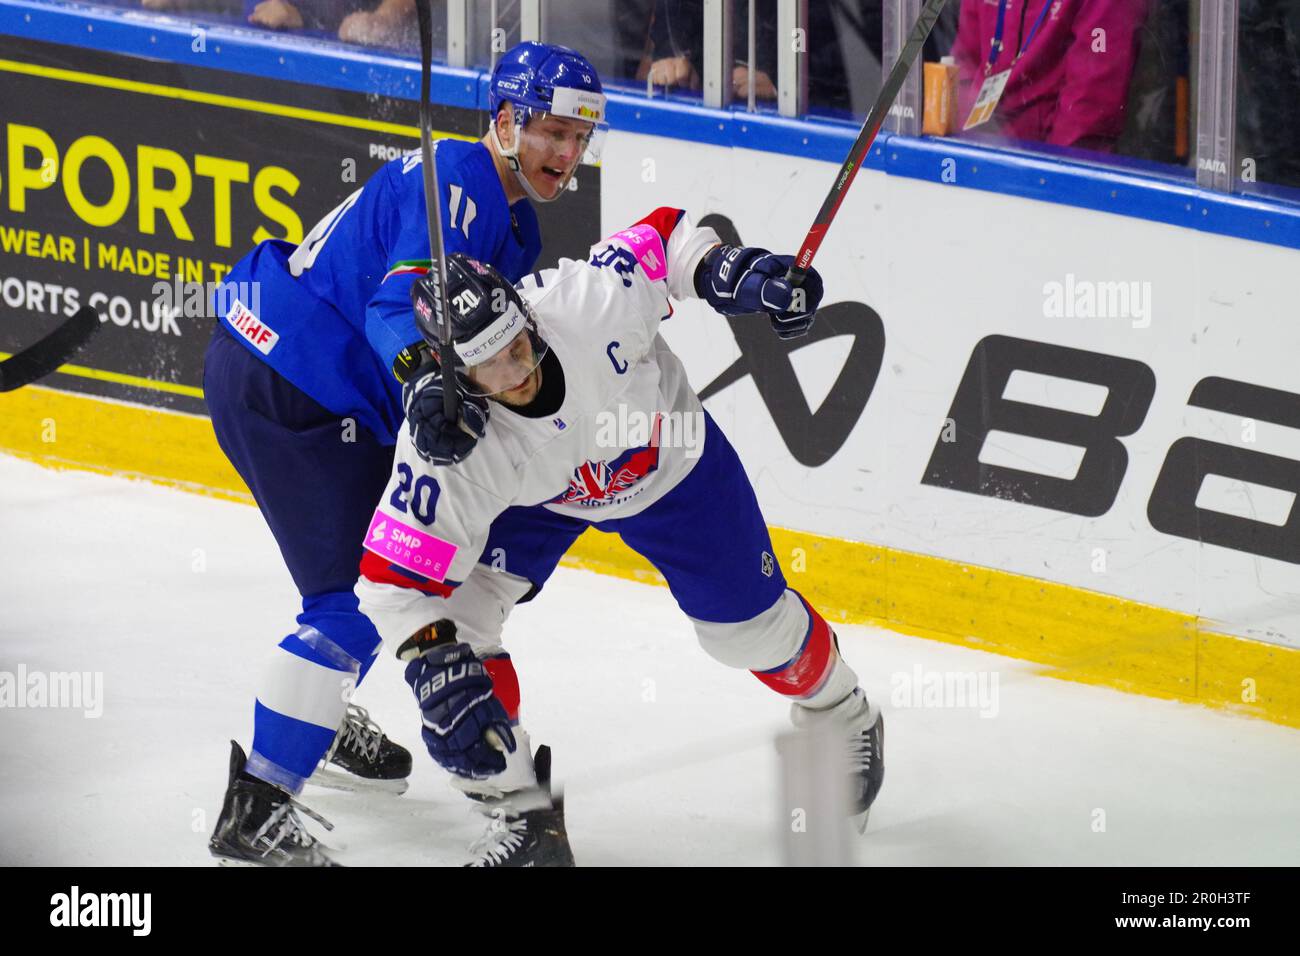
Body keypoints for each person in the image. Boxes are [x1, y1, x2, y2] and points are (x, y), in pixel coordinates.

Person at [354, 210, 884, 867]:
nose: (517, 374)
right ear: (452, 375)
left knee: (747, 635)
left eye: (517, 345)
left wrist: (731, 272)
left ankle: (840, 708)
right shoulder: (450, 441)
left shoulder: (585, 306)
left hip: (667, 467)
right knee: (457, 635)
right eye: (488, 369)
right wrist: (434, 668)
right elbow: (390, 582)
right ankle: (521, 818)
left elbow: (665, 240)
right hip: (539, 496)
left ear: (527, 314)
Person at [204, 42, 608, 866]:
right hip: (297, 378)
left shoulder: (509, 219)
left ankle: (319, 707)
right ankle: (256, 808)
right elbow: (402, 300)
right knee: (355, 605)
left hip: (295, 370)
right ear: (506, 121)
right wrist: (425, 377)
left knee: (392, 579)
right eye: (552, 134)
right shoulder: (460, 178)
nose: (566, 156)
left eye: (579, 139)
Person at [951, 0, 1149, 153]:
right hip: (978, 158)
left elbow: (1088, 107)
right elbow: (964, 62)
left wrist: (1046, 179)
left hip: (1044, 172)